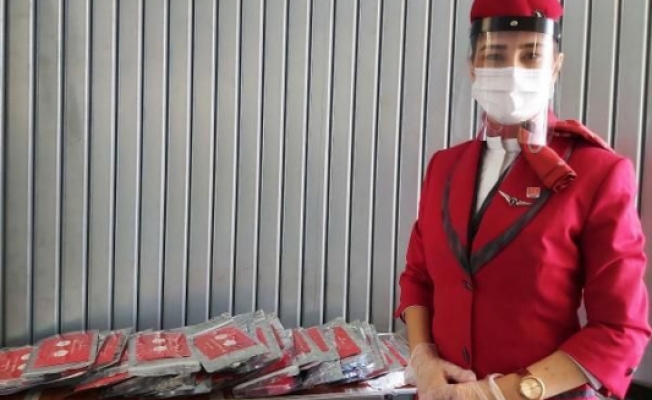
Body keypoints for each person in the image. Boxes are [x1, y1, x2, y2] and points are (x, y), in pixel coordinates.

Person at [394, 0, 651, 399]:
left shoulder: (597, 173)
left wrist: (499, 393)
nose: (512, 71)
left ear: (555, 67)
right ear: (472, 67)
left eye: (531, 56)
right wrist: (422, 359)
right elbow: (418, 276)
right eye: (495, 55)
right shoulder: (445, 166)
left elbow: (620, 329)